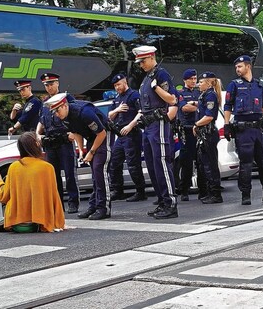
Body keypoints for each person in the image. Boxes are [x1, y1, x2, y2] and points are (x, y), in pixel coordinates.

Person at [224, 55, 263, 205]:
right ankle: (246, 195)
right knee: (246, 164)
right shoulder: (234, 85)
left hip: (259, 129)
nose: (237, 69)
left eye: (240, 66)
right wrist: (226, 124)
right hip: (243, 130)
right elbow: (228, 106)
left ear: (248, 66)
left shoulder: (259, 85)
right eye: (236, 67)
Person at [125, 46, 178, 219]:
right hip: (148, 126)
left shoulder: (161, 75)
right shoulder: (146, 78)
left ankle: (171, 205)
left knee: (162, 163)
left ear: (152, 57)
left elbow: (172, 99)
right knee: (153, 166)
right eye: (139, 62)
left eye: (143, 61)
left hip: (158, 123)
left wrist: (157, 89)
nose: (141, 65)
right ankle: (162, 202)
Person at [45, 93, 114, 220]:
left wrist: (91, 152)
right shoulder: (64, 117)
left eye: (58, 110)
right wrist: (81, 149)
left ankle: (104, 208)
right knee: (94, 174)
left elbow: (101, 133)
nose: (56, 114)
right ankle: (94, 206)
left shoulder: (84, 112)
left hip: (103, 135)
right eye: (54, 112)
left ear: (65, 105)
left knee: (99, 170)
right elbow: (76, 132)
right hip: (91, 137)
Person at [0, 132, 65, 233]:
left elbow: (3, 197)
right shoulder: (47, 168)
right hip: (40, 223)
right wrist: (59, 222)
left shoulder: (14, 167)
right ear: (37, 145)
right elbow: (54, 198)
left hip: (16, 224)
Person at [36, 73, 80, 213]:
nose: (49, 87)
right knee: (53, 176)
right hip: (50, 142)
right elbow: (42, 121)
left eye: (51, 84)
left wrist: (74, 133)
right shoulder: (45, 103)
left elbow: (76, 116)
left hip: (64, 141)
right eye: (46, 85)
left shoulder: (67, 98)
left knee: (69, 174)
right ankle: (58, 204)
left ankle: (73, 203)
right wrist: (38, 134)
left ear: (57, 84)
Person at [107, 73, 146, 202]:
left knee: (133, 164)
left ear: (125, 82)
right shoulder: (117, 98)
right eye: (115, 86)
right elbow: (109, 116)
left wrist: (130, 125)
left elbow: (141, 112)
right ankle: (118, 190)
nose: (117, 87)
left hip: (132, 133)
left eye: (119, 84)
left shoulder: (133, 95)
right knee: (114, 162)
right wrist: (117, 110)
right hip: (120, 135)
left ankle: (140, 192)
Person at [194, 72, 223, 204]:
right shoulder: (204, 95)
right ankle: (210, 192)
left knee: (210, 164)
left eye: (201, 82)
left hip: (208, 132)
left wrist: (196, 125)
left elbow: (209, 116)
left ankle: (216, 194)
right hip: (204, 133)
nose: (198, 84)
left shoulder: (210, 94)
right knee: (204, 164)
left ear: (209, 83)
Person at [176, 69, 200, 201]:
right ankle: (184, 190)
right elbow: (184, 107)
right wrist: (199, 106)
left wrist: (196, 105)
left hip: (200, 129)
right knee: (186, 162)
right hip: (187, 129)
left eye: (195, 78)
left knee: (201, 160)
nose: (193, 81)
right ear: (185, 80)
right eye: (191, 79)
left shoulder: (199, 91)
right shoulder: (180, 93)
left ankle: (204, 189)